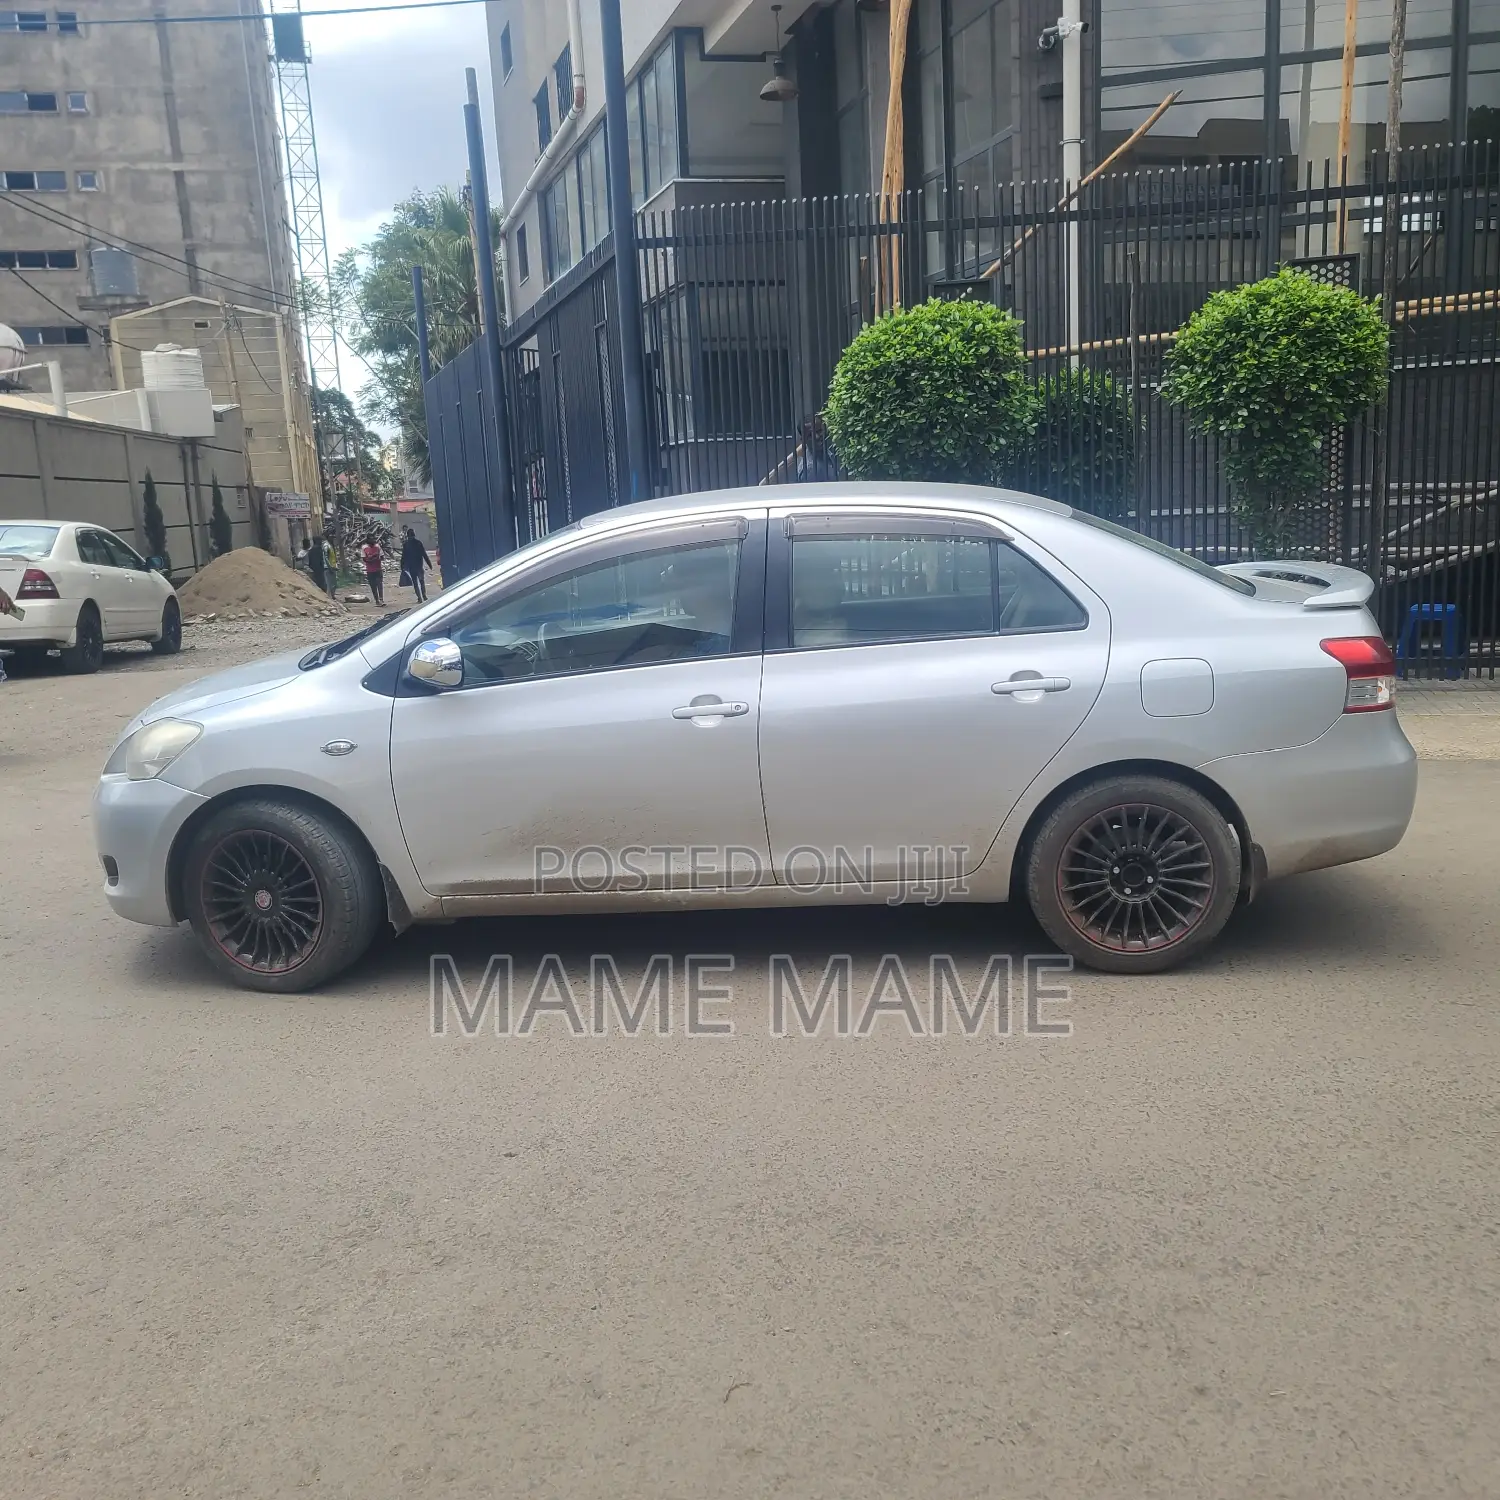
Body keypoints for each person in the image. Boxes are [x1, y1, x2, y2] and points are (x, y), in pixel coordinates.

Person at [399, 526, 431, 603]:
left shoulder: (406, 544)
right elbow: (424, 554)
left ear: (408, 536)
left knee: (415, 583)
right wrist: (429, 564)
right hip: (419, 566)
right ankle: (424, 596)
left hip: (411, 567)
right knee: (421, 581)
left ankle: (419, 598)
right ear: (414, 535)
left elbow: (403, 556)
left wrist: (402, 566)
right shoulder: (418, 543)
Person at [361, 535, 385, 606]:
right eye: (371, 540)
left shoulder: (377, 547)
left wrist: (374, 559)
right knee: (373, 586)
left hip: (378, 569)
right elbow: (364, 559)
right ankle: (377, 600)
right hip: (370, 570)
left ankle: (381, 599)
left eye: (373, 539)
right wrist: (373, 558)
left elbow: (382, 557)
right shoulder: (364, 548)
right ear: (368, 540)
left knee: (379, 584)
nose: (373, 541)